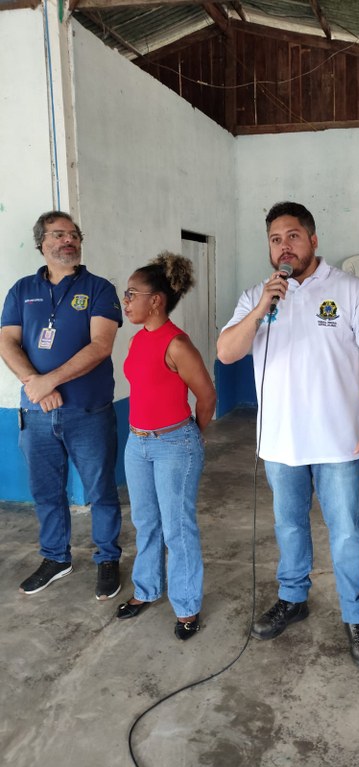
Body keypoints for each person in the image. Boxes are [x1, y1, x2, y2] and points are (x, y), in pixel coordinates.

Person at [217, 201, 359, 668]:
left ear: (313, 240)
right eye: (276, 239)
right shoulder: (258, 295)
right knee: (289, 525)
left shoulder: (350, 291)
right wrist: (261, 308)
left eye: (293, 236)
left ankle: (356, 616)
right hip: (280, 443)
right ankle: (293, 599)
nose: (284, 246)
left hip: (340, 441)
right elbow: (227, 351)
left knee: (345, 532)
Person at [0, 210, 123, 599]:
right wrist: (33, 385)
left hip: (88, 411)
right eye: (57, 234)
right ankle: (56, 557)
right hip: (37, 414)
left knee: (100, 489)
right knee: (46, 491)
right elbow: (7, 342)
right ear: (42, 244)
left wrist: (49, 380)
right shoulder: (22, 290)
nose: (67, 240)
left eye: (73, 234)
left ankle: (107, 559)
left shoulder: (100, 288)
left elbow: (101, 346)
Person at [116, 252, 216, 641]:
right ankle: (146, 590)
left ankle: (187, 606)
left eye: (131, 294)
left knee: (178, 528)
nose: (126, 301)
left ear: (155, 300)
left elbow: (206, 396)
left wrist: (194, 434)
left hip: (175, 444)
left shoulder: (177, 345)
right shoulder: (139, 339)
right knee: (146, 521)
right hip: (136, 443)